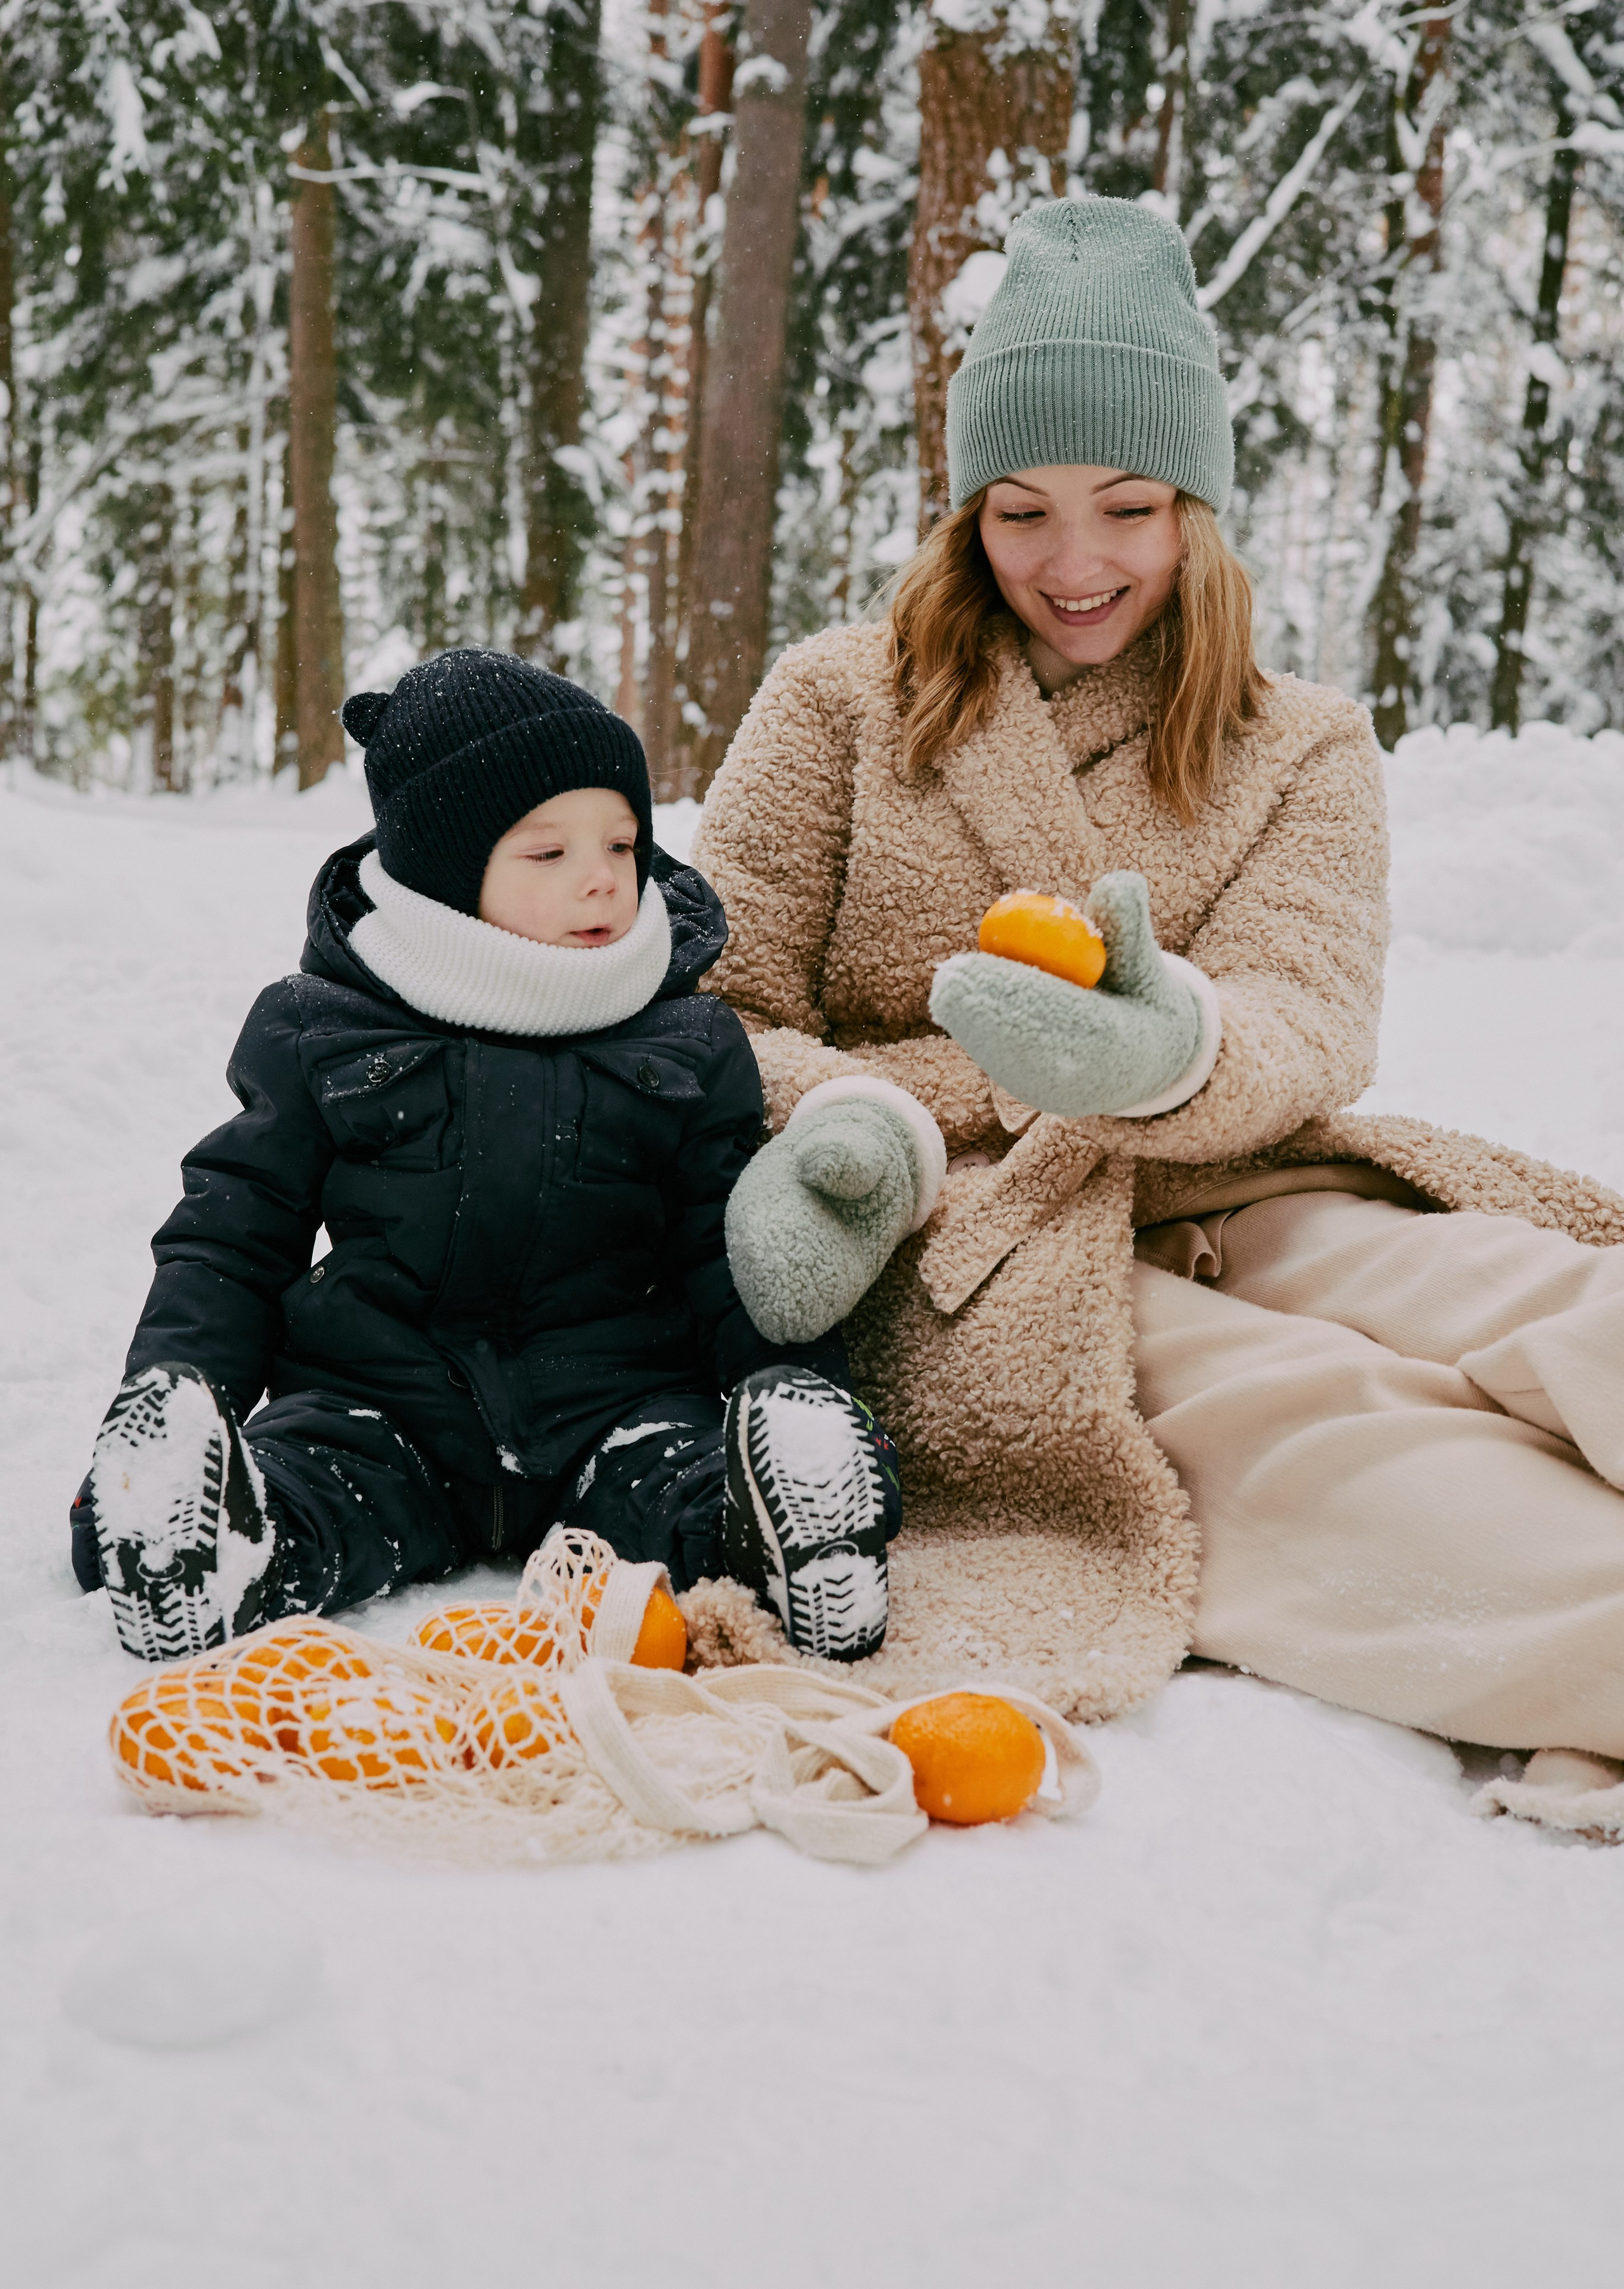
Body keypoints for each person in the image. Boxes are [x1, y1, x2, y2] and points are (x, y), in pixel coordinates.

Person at [700, 194, 1624, 1816]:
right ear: (965, 512)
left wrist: (1169, 1047)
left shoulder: (1298, 741)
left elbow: (1305, 1009)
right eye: (1020, 513)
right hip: (963, 1232)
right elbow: (713, 1015)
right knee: (1334, 1444)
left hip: (1229, 1167)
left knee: (1530, 1294)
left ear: (1193, 503)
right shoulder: (837, 703)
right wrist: (878, 1117)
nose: (1073, 566)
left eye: (1125, 508)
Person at [71, 651, 905, 1667]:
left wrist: (800, 1395)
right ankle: (204, 1550)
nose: (602, 877)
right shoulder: (323, 1030)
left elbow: (733, 1254)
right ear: (445, 872)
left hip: (615, 1406)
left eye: (623, 842)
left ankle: (794, 1542)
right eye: (547, 853)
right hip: (383, 1403)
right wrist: (168, 1400)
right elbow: (232, 1242)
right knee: (314, 1494)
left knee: (679, 1493)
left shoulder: (685, 1039)